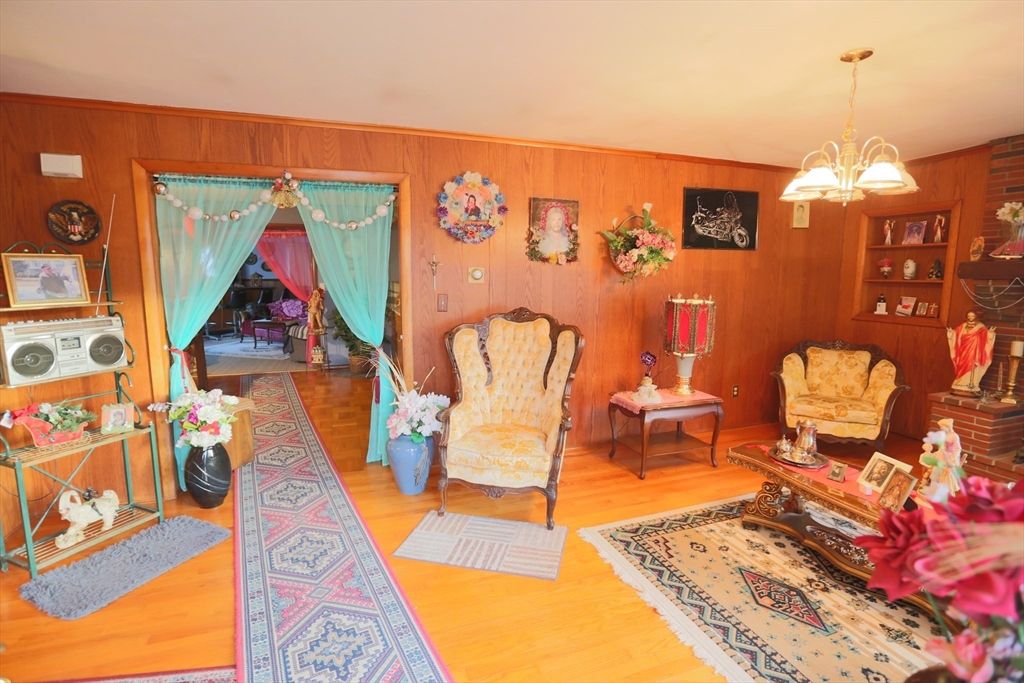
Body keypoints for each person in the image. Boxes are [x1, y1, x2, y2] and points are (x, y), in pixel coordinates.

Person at [946, 311, 997, 395]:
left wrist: (990, 333)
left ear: (976, 317)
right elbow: (956, 334)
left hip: (975, 352)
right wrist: (951, 332)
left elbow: (987, 339)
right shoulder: (963, 326)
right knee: (962, 365)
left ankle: (971, 383)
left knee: (971, 365)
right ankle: (960, 382)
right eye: (969, 316)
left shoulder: (981, 327)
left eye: (972, 316)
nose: (970, 318)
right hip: (963, 350)